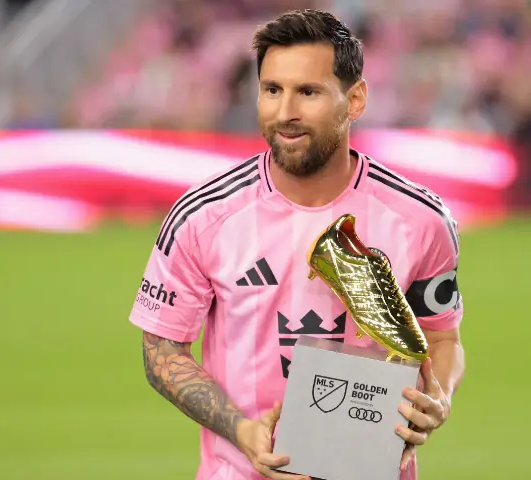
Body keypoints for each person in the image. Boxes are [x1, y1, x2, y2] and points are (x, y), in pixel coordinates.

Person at [129, 9, 465, 480]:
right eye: (272, 90)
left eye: (307, 91)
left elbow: (443, 336)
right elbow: (161, 350)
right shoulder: (203, 216)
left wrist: (439, 398)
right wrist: (242, 430)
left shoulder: (421, 220)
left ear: (355, 100)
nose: (285, 111)